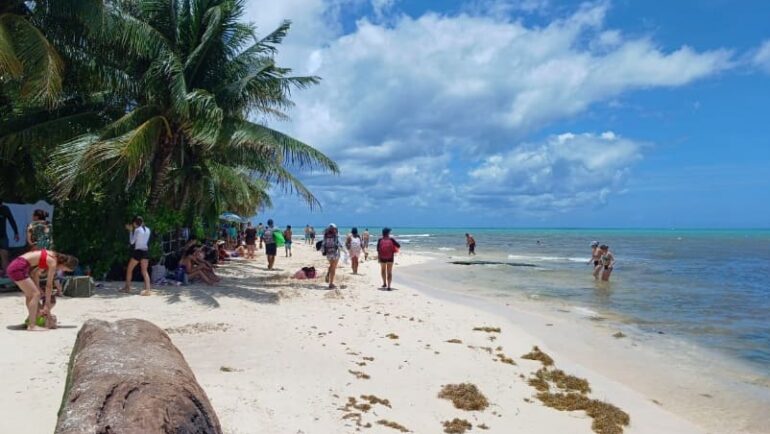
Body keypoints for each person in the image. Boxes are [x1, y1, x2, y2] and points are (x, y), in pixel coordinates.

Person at [6, 248, 78, 330]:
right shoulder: (53, 262)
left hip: (16, 266)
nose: (61, 270)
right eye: (64, 269)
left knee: (31, 295)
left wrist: (38, 289)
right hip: (19, 268)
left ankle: (31, 320)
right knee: (35, 294)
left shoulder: (51, 255)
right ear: (64, 264)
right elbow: (49, 285)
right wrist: (46, 305)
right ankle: (32, 325)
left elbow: (35, 274)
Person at [122, 216, 152, 295]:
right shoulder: (148, 229)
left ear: (135, 223)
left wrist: (131, 231)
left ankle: (127, 288)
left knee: (129, 269)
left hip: (138, 251)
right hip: (145, 251)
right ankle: (148, 289)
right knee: (144, 271)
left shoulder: (137, 230)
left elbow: (132, 242)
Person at [0, 200, 20, 276]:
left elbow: (11, 220)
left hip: (3, 236)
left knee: (4, 255)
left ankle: (6, 274)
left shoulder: (5, 209)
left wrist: (16, 232)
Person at [321, 224, 342, 289]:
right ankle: (331, 284)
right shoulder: (336, 235)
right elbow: (340, 244)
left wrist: (323, 251)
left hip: (328, 254)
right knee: (333, 268)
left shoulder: (326, 236)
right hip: (335, 253)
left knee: (331, 265)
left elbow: (323, 245)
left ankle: (328, 274)